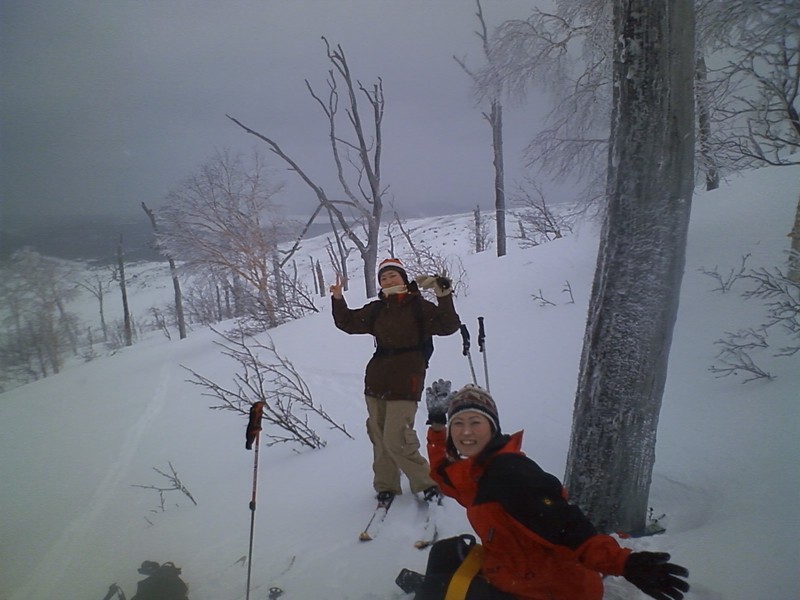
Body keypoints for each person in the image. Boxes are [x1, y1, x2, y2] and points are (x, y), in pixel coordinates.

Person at [408, 384, 690, 600]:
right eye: (458, 423)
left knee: (434, 591)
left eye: (475, 422)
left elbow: (566, 526)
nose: (465, 432)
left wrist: (624, 563)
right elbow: (446, 476)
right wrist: (436, 426)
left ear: (492, 428)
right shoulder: (481, 471)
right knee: (444, 553)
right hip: (514, 568)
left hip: (551, 590)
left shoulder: (511, 474)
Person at [330, 258, 461, 502]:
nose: (388, 280)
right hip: (376, 379)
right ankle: (386, 485)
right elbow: (347, 322)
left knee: (396, 436)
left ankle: (426, 483)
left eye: (393, 275)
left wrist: (443, 295)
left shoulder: (418, 306)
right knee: (378, 435)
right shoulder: (377, 309)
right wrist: (338, 299)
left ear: (403, 278)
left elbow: (448, 325)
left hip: (407, 377)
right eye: (383, 277)